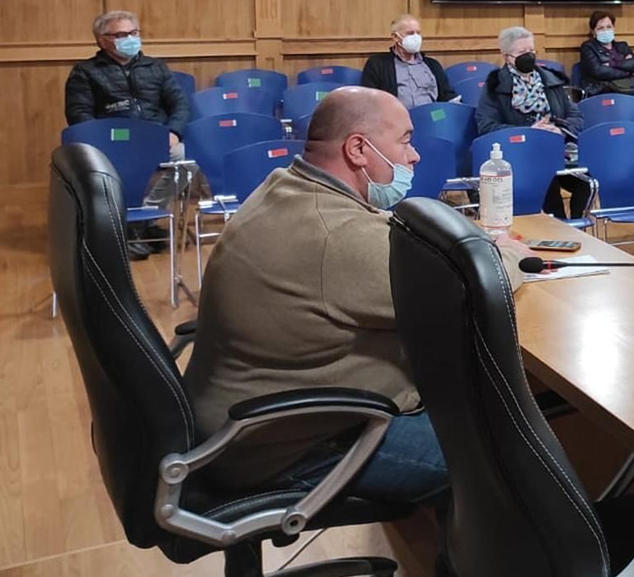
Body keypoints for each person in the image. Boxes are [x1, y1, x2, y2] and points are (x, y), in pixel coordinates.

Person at [183, 86, 526, 504]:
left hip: (245, 424)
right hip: (290, 449)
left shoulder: (285, 186)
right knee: (508, 454)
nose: (414, 155)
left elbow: (383, 240)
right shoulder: (334, 235)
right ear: (359, 150)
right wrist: (512, 254)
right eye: (405, 140)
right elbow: (476, 283)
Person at [65, 10, 191, 259]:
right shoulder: (85, 72)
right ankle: (125, 228)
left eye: (134, 33)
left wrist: (174, 132)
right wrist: (101, 143)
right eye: (121, 35)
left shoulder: (155, 67)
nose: (130, 39)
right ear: (102, 40)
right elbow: (79, 114)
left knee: (185, 160)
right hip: (111, 145)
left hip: (155, 139)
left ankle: (142, 221)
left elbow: (180, 104)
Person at [475, 26, 591, 219]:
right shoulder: (494, 86)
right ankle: (559, 226)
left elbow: (576, 117)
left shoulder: (551, 81)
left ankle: (577, 223)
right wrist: (529, 132)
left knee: (587, 178)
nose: (529, 56)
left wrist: (560, 130)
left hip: (559, 150)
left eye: (531, 50)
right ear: (506, 56)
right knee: (546, 179)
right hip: (522, 154)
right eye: (522, 52)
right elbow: (487, 127)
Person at [360, 14, 459, 108]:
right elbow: (370, 101)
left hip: (432, 116)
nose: (416, 37)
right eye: (410, 33)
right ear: (395, 37)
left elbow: (448, 96)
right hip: (397, 118)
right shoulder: (377, 64)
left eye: (418, 33)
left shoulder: (432, 65)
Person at [576, 10, 634, 96]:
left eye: (609, 27)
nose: (605, 30)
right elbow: (599, 71)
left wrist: (612, 64)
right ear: (593, 31)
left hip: (626, 89)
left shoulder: (622, 46)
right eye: (600, 28)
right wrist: (626, 72)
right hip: (600, 92)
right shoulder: (588, 47)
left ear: (613, 28)